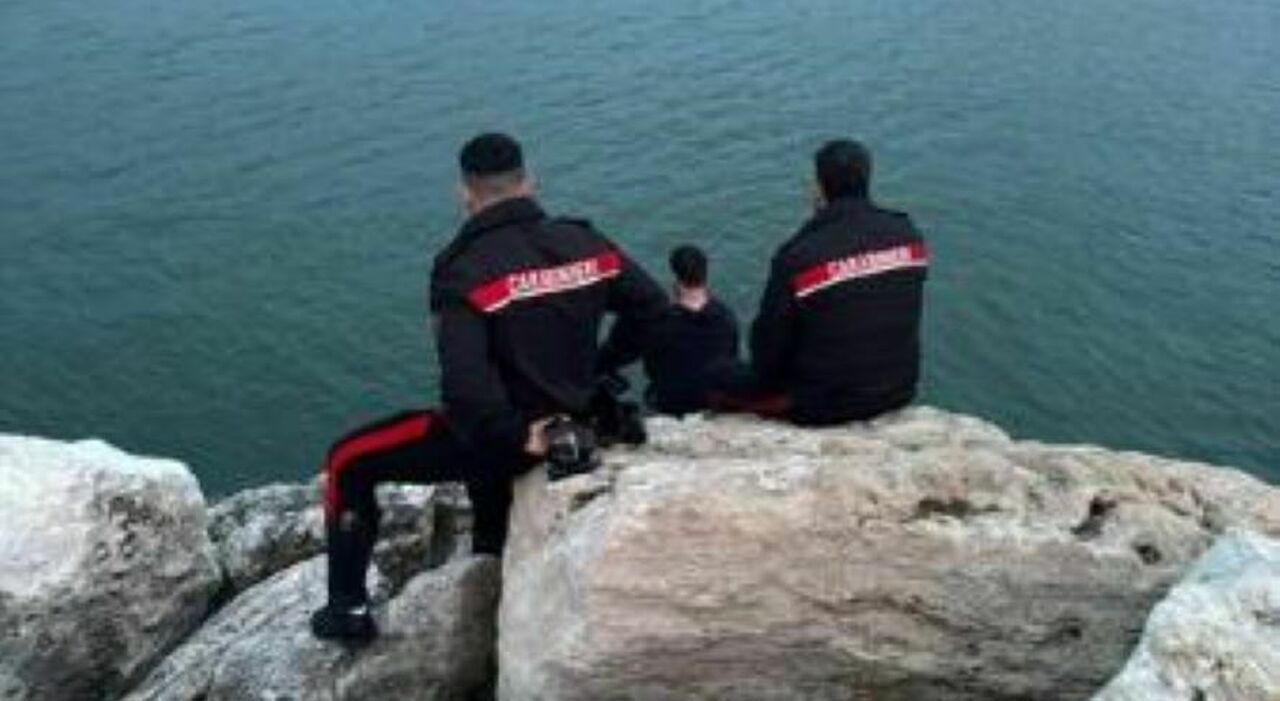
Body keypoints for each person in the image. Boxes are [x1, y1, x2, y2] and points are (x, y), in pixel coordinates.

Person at [311, 133, 667, 642]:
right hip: (577, 419)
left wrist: (518, 435)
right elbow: (654, 311)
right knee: (486, 459)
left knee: (347, 459)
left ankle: (347, 610)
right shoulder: (584, 242)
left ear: (465, 193)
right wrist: (600, 365)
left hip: (509, 438)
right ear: (529, 180)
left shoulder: (463, 268)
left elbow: (465, 386)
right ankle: (493, 556)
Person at [717, 138, 928, 424]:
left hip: (826, 405)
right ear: (867, 178)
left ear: (819, 186)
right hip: (899, 390)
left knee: (716, 375)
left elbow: (767, 350)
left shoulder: (799, 256)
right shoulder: (909, 237)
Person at [598, 245, 740, 416]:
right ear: (705, 275)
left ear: (676, 278)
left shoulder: (661, 322)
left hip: (670, 402)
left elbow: (650, 367)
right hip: (712, 399)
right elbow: (732, 358)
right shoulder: (726, 318)